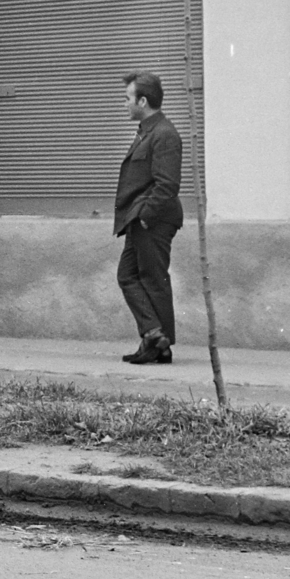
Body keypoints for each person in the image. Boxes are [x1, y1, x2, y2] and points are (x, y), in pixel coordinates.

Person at [114, 70, 183, 365]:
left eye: (128, 98)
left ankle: (157, 339)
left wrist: (145, 216)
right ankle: (156, 338)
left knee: (152, 279)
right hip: (140, 217)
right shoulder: (147, 131)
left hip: (152, 219)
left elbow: (167, 183)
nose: (124, 104)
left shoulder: (164, 134)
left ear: (143, 100)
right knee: (129, 275)